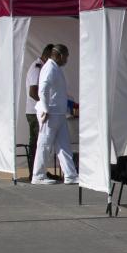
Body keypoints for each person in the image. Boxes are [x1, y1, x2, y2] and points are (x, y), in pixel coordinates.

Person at [31, 44, 78, 185]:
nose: (67, 59)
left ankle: (70, 175)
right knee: (44, 144)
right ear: (59, 55)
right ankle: (38, 175)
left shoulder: (55, 68)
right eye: (66, 56)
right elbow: (42, 89)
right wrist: (45, 109)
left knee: (64, 146)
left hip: (59, 113)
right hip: (50, 113)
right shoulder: (50, 68)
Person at [25, 43, 54, 168]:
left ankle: (40, 170)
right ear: (48, 57)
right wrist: (45, 106)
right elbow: (33, 92)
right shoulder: (37, 68)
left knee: (41, 143)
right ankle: (35, 171)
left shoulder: (42, 67)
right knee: (37, 143)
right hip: (35, 112)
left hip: (38, 111)